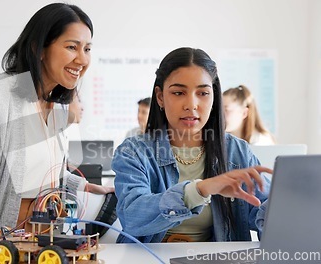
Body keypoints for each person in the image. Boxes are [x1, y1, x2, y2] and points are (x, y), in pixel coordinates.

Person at [0, 3, 113, 247]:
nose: (82, 59)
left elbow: (42, 172)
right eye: (72, 47)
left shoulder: (57, 106)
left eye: (87, 48)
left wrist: (85, 186)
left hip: (41, 245)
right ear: (39, 48)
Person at [112, 47, 272, 244]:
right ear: (160, 97)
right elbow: (132, 217)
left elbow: (265, 215)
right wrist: (199, 190)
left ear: (214, 98)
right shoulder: (134, 151)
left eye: (203, 93)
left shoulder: (237, 152)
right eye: (179, 92)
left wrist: (291, 202)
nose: (191, 104)